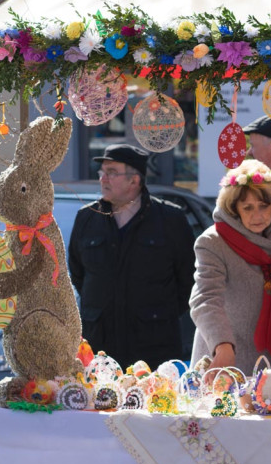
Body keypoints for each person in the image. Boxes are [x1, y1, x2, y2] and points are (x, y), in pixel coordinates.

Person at [68, 144, 196, 369]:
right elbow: (79, 274)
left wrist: (153, 313)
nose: (103, 179)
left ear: (134, 180)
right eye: (102, 172)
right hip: (100, 349)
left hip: (153, 349)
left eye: (112, 172)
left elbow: (188, 281)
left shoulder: (170, 219)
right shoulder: (86, 218)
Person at [190, 159, 271, 375]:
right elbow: (205, 299)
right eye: (247, 207)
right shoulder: (213, 241)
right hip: (224, 359)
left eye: (263, 206)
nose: (256, 215)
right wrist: (222, 346)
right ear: (234, 208)